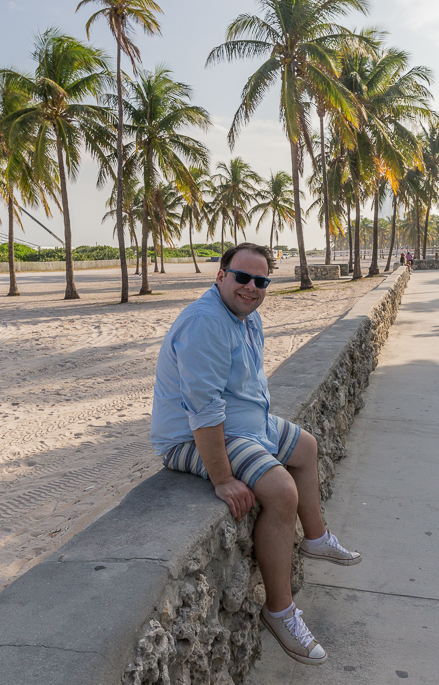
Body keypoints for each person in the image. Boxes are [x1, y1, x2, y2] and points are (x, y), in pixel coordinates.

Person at [151, 243, 362, 667]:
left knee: (306, 446)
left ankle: (316, 539)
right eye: (242, 277)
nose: (251, 287)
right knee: (282, 492)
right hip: (196, 437)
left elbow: (247, 387)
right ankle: (280, 613)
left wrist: (263, 430)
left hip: (244, 425)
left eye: (261, 281)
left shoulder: (246, 317)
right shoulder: (206, 323)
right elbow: (204, 409)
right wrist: (223, 478)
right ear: (220, 276)